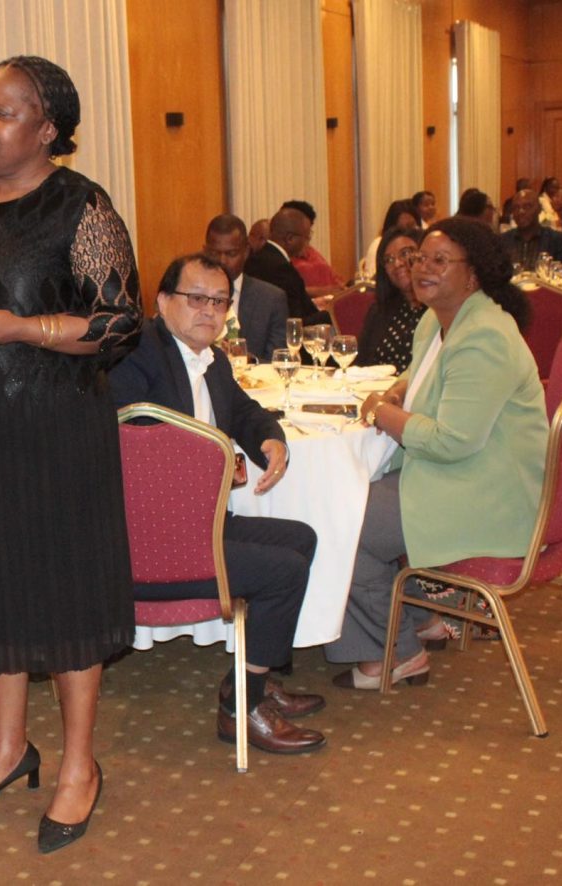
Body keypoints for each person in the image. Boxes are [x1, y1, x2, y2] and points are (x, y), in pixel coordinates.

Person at [0, 56, 142, 855]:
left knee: (66, 593)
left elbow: (119, 322)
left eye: (4, 112)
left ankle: (80, 764)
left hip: (53, 429)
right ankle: (9, 749)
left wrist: (23, 329)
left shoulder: (81, 205)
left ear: (48, 130)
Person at [109, 253, 326, 756]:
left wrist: (268, 440)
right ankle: (241, 709)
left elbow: (243, 410)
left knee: (300, 539)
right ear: (163, 302)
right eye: (197, 298)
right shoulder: (135, 355)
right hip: (149, 542)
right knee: (284, 571)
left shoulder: (213, 359)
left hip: (197, 525)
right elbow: (130, 444)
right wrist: (216, 462)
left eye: (220, 301)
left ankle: (254, 680)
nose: (209, 310)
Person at [326, 217, 548, 688]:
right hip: (457, 474)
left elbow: (452, 440)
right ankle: (420, 621)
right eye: (419, 257)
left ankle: (395, 653)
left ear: (473, 274)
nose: (422, 268)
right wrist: (399, 391)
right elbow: (426, 374)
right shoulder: (437, 321)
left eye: (439, 260)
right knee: (347, 496)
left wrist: (381, 412)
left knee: (342, 521)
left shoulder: (485, 336)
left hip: (487, 493)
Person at [202, 214, 287, 362]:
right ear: (205, 252)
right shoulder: (190, 296)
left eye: (231, 254)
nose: (222, 261)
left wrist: (247, 360)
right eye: (215, 253)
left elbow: (278, 361)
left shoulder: (271, 299)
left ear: (246, 252)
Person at [244, 208, 331, 324]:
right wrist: (330, 313)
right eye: (306, 238)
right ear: (290, 239)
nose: (307, 244)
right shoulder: (281, 269)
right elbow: (294, 323)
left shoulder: (256, 259)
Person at [357, 227, 426, 373]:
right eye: (389, 260)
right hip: (376, 386)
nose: (397, 263)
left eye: (405, 253)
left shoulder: (439, 311)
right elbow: (361, 364)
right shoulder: (379, 312)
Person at [281, 199, 345, 296]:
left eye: (308, 231)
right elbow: (286, 291)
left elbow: (337, 282)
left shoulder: (311, 252)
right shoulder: (277, 258)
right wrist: (322, 291)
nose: (308, 237)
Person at [500, 188, 562, 271]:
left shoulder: (556, 241)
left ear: (539, 209)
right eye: (516, 207)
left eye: (527, 206)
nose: (521, 211)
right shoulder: (502, 242)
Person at [359, 199, 421, 280]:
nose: (407, 234)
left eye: (411, 227)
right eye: (389, 260)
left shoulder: (423, 246)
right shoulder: (379, 245)